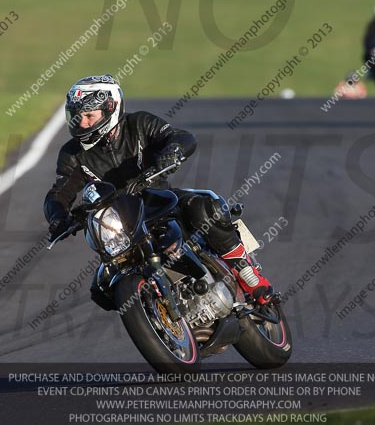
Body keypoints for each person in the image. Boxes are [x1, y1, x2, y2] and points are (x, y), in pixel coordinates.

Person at [43, 74, 274, 311]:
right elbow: (60, 191)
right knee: (101, 290)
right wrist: (57, 217)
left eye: (89, 116)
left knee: (203, 207)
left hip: (161, 201)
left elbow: (180, 137)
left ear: (110, 108)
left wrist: (172, 152)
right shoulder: (72, 153)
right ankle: (157, 314)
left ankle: (248, 274)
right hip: (120, 224)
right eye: (78, 117)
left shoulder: (138, 124)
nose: (82, 123)